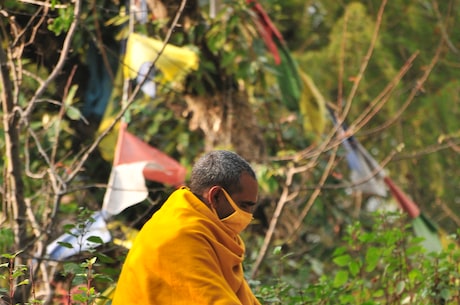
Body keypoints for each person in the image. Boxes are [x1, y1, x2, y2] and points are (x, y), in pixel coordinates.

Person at [112, 150, 262, 305]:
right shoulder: (180, 233)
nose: (249, 215)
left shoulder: (211, 230)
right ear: (215, 196)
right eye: (244, 205)